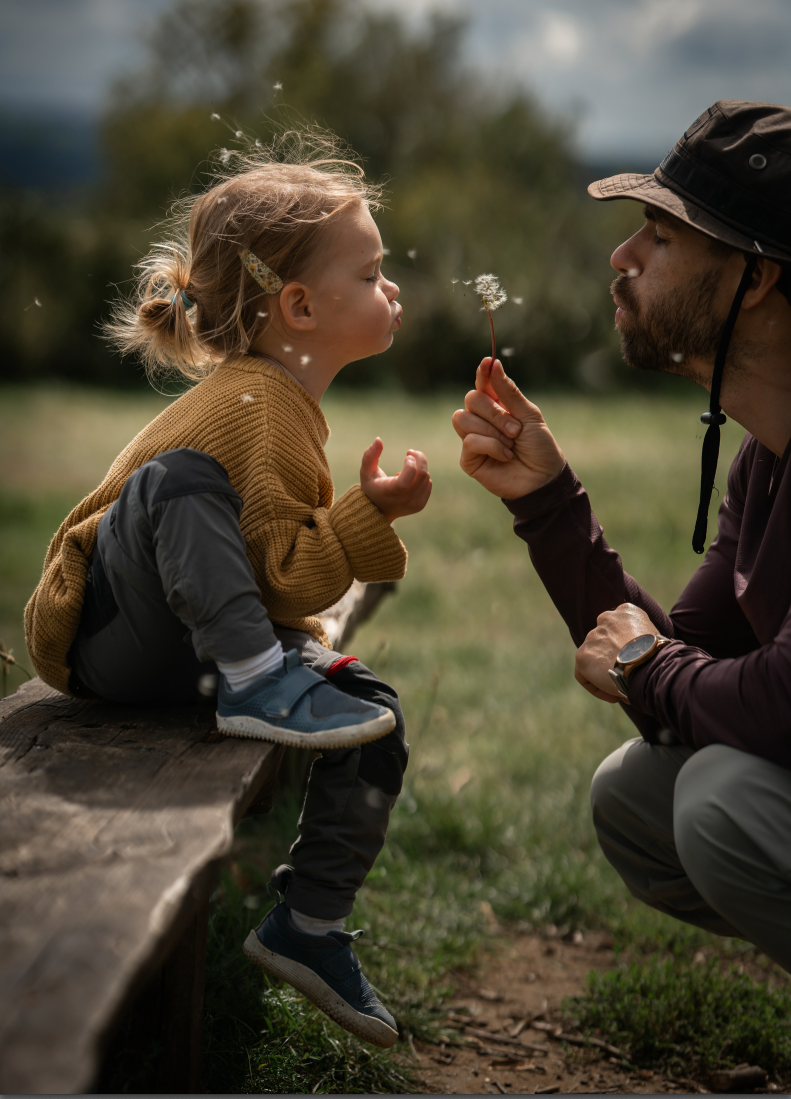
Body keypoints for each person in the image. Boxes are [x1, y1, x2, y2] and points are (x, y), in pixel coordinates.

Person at [24, 132, 432, 1047]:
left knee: (376, 713)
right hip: (111, 628)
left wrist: (366, 515)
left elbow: (276, 574)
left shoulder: (286, 405)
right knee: (175, 482)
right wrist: (360, 523)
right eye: (370, 273)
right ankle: (258, 677)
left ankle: (310, 925)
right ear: (297, 304)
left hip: (197, 639)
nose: (392, 288)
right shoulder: (251, 400)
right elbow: (259, 565)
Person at [452, 101, 791, 973]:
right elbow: (687, 667)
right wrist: (548, 503)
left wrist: (649, 666)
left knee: (720, 800)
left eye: (659, 235)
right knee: (640, 794)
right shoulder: (766, 462)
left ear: (753, 277)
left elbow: (772, 701)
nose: (621, 257)